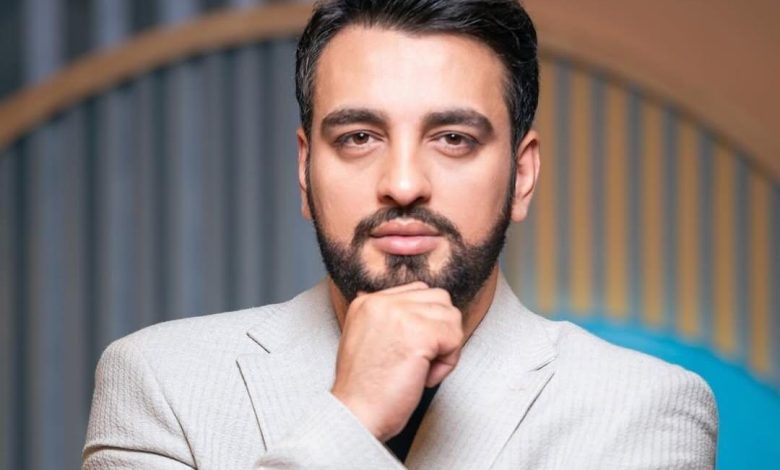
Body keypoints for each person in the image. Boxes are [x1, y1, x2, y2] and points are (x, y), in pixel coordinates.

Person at [82, 0, 718, 468]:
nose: (405, 183)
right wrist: (352, 415)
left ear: (522, 176)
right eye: (359, 137)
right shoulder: (161, 382)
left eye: (454, 139)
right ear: (304, 170)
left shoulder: (642, 407)